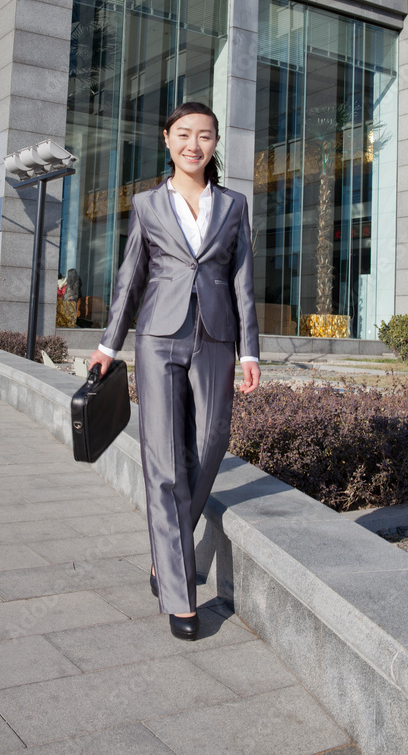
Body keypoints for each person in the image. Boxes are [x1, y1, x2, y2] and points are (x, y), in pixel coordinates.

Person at [89, 101, 260, 641]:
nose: (194, 144)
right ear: (167, 140)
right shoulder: (145, 204)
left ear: (213, 144)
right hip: (158, 337)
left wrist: (250, 351)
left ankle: (169, 551)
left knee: (209, 444)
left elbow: (242, 280)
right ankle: (180, 595)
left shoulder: (233, 205)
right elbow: (130, 278)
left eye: (204, 135)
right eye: (183, 134)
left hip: (216, 337)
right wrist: (108, 345)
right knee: (163, 459)